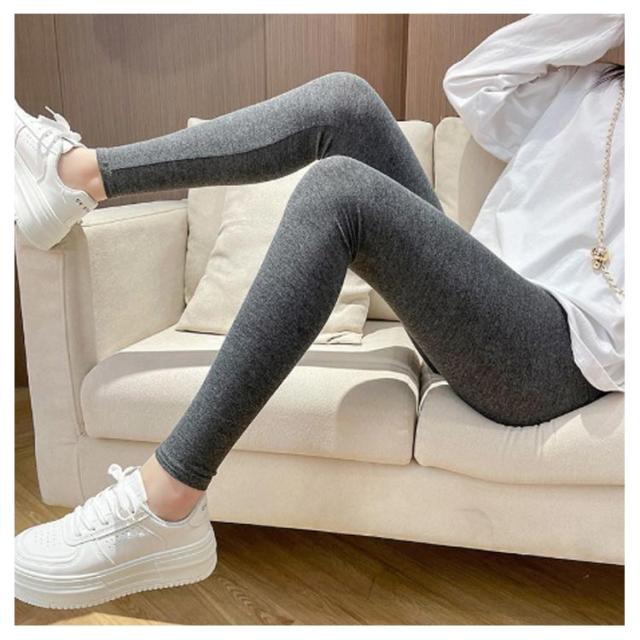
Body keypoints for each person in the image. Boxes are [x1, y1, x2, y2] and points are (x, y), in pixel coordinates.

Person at [14, 13, 624, 609]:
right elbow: (474, 80)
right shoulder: (589, 84)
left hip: (555, 353)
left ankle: (168, 499)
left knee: (340, 192)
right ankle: (79, 175)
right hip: (479, 307)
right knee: (344, 102)